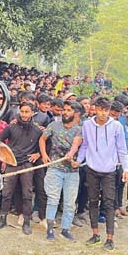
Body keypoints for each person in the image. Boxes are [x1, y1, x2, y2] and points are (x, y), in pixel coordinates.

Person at [77, 97, 128, 251]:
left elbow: (122, 149)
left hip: (110, 171)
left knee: (109, 203)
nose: (102, 113)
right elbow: (85, 145)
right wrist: (79, 161)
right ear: (95, 109)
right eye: (100, 109)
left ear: (109, 111)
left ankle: (110, 238)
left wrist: (126, 169)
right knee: (92, 201)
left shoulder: (117, 126)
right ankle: (95, 234)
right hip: (92, 169)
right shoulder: (87, 125)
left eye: (105, 110)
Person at [0, 103, 43, 234]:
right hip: (12, 163)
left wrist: (37, 154)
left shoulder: (37, 130)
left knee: (27, 194)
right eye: (22, 111)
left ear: (33, 113)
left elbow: (44, 145)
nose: (24, 114)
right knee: (6, 193)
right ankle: (2, 218)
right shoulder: (11, 127)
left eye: (27, 112)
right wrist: (4, 155)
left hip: (27, 165)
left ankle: (26, 222)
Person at [40, 101, 83, 241]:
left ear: (75, 113)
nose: (65, 112)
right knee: (53, 199)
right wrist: (44, 155)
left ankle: (66, 229)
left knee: (70, 203)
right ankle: (50, 230)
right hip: (55, 168)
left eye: (69, 110)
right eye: (64, 109)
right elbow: (42, 139)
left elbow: (76, 143)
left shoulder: (78, 129)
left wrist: (71, 154)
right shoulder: (53, 125)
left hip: (72, 171)